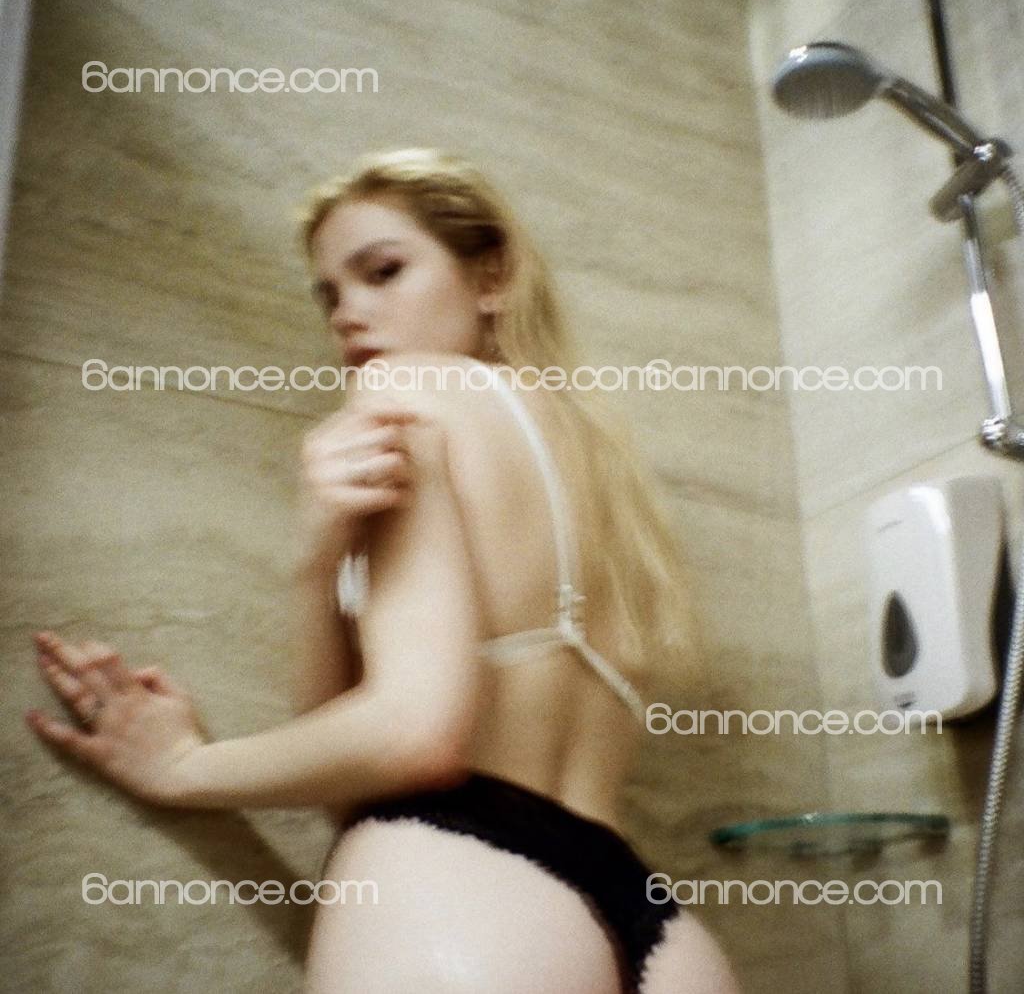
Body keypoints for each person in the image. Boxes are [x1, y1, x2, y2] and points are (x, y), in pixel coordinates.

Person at [27, 148, 741, 992]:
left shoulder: (407, 392)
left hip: (460, 879)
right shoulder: (605, 466)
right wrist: (318, 560)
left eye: (383, 271)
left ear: (492, 275)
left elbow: (412, 735)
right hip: (649, 916)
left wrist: (183, 765)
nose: (349, 315)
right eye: (330, 294)